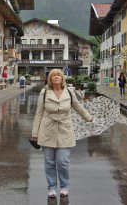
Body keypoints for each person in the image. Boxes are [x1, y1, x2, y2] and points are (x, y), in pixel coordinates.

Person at [30, 69, 93, 199]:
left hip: (65, 130)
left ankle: (64, 186)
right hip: (47, 130)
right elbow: (39, 113)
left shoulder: (69, 91)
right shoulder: (44, 92)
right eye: (54, 75)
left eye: (59, 75)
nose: (56, 77)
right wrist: (34, 133)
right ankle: (51, 188)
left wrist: (89, 118)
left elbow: (78, 107)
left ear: (62, 78)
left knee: (62, 161)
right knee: (49, 162)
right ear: (50, 79)